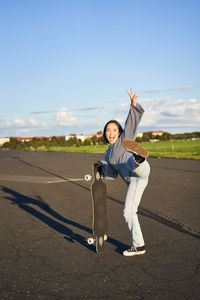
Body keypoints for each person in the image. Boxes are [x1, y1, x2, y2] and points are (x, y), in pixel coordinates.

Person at [94, 88, 150, 256]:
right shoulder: (108, 154)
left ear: (119, 132)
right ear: (105, 134)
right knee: (128, 212)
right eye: (108, 130)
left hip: (140, 171)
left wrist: (133, 105)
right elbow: (112, 174)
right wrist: (102, 166)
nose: (111, 133)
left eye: (114, 130)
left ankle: (139, 158)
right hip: (133, 181)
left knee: (136, 165)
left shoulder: (126, 138)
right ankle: (139, 246)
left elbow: (132, 121)